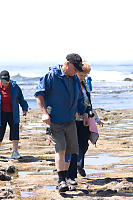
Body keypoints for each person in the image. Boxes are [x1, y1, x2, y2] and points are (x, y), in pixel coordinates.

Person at [34, 53, 89, 193]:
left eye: (78, 70)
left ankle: (64, 180)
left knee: (70, 151)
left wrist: (84, 114)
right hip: (55, 121)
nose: (76, 72)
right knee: (61, 149)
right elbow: (39, 94)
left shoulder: (74, 79)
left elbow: (78, 99)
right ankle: (60, 181)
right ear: (67, 63)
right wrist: (44, 113)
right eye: (75, 69)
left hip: (70, 121)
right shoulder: (51, 76)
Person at [67, 63, 104, 185]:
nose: (83, 77)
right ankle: (75, 169)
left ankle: (79, 164)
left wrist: (97, 118)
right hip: (73, 121)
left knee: (84, 144)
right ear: (76, 72)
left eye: (85, 75)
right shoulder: (71, 85)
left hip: (86, 119)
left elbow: (89, 104)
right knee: (74, 145)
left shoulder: (85, 85)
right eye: (81, 74)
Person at [0, 70, 28, 159]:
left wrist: (25, 108)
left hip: (13, 113)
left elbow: (21, 98)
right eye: (3, 81)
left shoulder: (15, 87)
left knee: (15, 132)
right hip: (1, 114)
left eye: (7, 81)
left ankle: (15, 152)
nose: (5, 83)